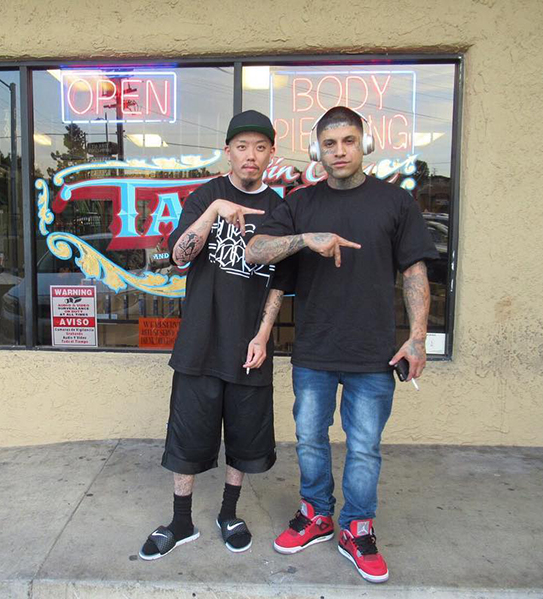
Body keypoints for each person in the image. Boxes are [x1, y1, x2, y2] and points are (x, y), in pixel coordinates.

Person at [245, 106, 438, 583]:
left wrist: (417, 339)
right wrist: (305, 239)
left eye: (348, 141)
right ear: (317, 150)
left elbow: (415, 272)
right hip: (314, 350)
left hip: (373, 353)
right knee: (310, 438)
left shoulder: (395, 203)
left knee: (365, 447)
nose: (339, 151)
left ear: (364, 144)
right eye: (329, 144)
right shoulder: (301, 204)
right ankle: (316, 515)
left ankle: (357, 528)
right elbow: (256, 250)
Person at [139, 110, 287, 560]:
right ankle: (181, 521)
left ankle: (228, 513)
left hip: (248, 346)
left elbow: (280, 280)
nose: (250, 155)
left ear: (271, 153)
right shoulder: (206, 195)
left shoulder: (279, 208)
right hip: (200, 343)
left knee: (242, 440)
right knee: (187, 437)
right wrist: (214, 211)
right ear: (228, 152)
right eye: (242, 147)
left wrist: (263, 335)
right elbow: (180, 256)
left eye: (259, 147)